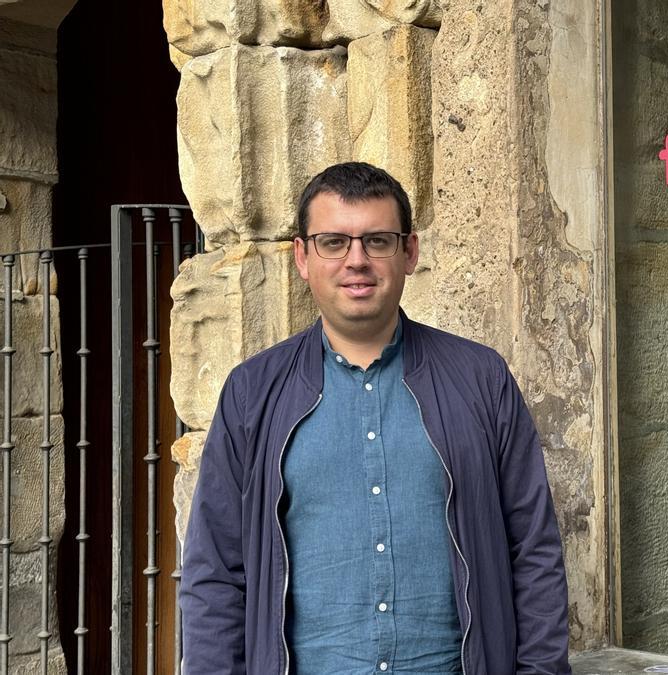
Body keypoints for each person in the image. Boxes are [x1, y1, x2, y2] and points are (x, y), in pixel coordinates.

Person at [180, 162, 572, 675]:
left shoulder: (482, 379)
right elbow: (214, 572)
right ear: (302, 256)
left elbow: (534, 551)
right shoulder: (253, 392)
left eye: (377, 241)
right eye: (334, 242)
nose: (357, 261)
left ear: (409, 253)